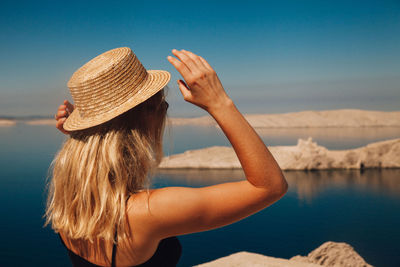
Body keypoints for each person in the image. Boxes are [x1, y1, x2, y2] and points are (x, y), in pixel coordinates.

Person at [47, 47, 288, 267]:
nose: (164, 109)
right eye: (162, 104)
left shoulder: (66, 198)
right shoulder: (149, 212)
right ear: (148, 114)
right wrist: (220, 103)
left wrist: (82, 134)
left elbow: (94, 156)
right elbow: (269, 187)